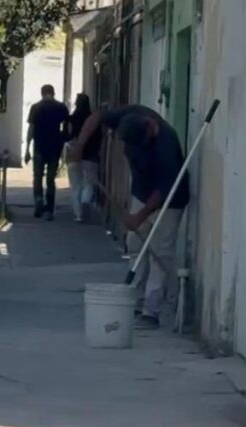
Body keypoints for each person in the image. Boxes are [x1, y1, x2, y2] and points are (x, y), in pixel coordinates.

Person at [75, 104, 189, 330]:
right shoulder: (128, 116)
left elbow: (164, 190)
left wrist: (140, 216)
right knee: (135, 244)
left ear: (150, 129)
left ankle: (151, 311)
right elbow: (96, 116)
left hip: (168, 201)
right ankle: (133, 301)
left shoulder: (165, 145)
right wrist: (80, 144)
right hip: (141, 192)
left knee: (159, 252)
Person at [24, 85, 70, 220]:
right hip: (54, 147)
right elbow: (67, 128)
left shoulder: (36, 107)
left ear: (42, 93)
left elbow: (31, 129)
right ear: (53, 93)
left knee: (37, 177)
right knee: (51, 179)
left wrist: (27, 148)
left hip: (39, 146)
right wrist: (63, 142)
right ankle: (49, 209)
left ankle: (38, 199)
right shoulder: (61, 107)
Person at [64, 93, 101, 222]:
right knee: (89, 183)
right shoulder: (93, 119)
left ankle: (78, 214)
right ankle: (86, 201)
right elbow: (99, 138)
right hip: (90, 156)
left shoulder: (71, 119)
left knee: (75, 186)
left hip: (73, 155)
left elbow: (66, 137)